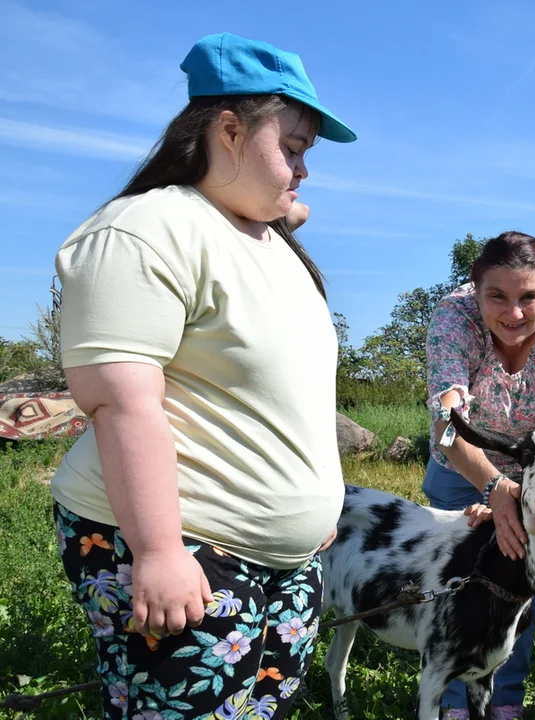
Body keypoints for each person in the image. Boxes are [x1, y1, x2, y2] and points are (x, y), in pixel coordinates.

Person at [49, 32, 355, 719]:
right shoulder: (143, 231)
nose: (304, 171)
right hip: (182, 545)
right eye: (295, 148)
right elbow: (121, 401)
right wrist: (156, 551)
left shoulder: (268, 238)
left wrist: (309, 507)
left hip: (287, 558)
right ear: (228, 130)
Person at [423, 231, 535, 720]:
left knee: (523, 578)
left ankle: (506, 700)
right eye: (496, 296)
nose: (514, 313)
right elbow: (445, 426)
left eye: (530, 297)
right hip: (463, 467)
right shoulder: (452, 316)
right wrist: (493, 487)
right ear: (474, 289)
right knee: (458, 576)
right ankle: (455, 701)